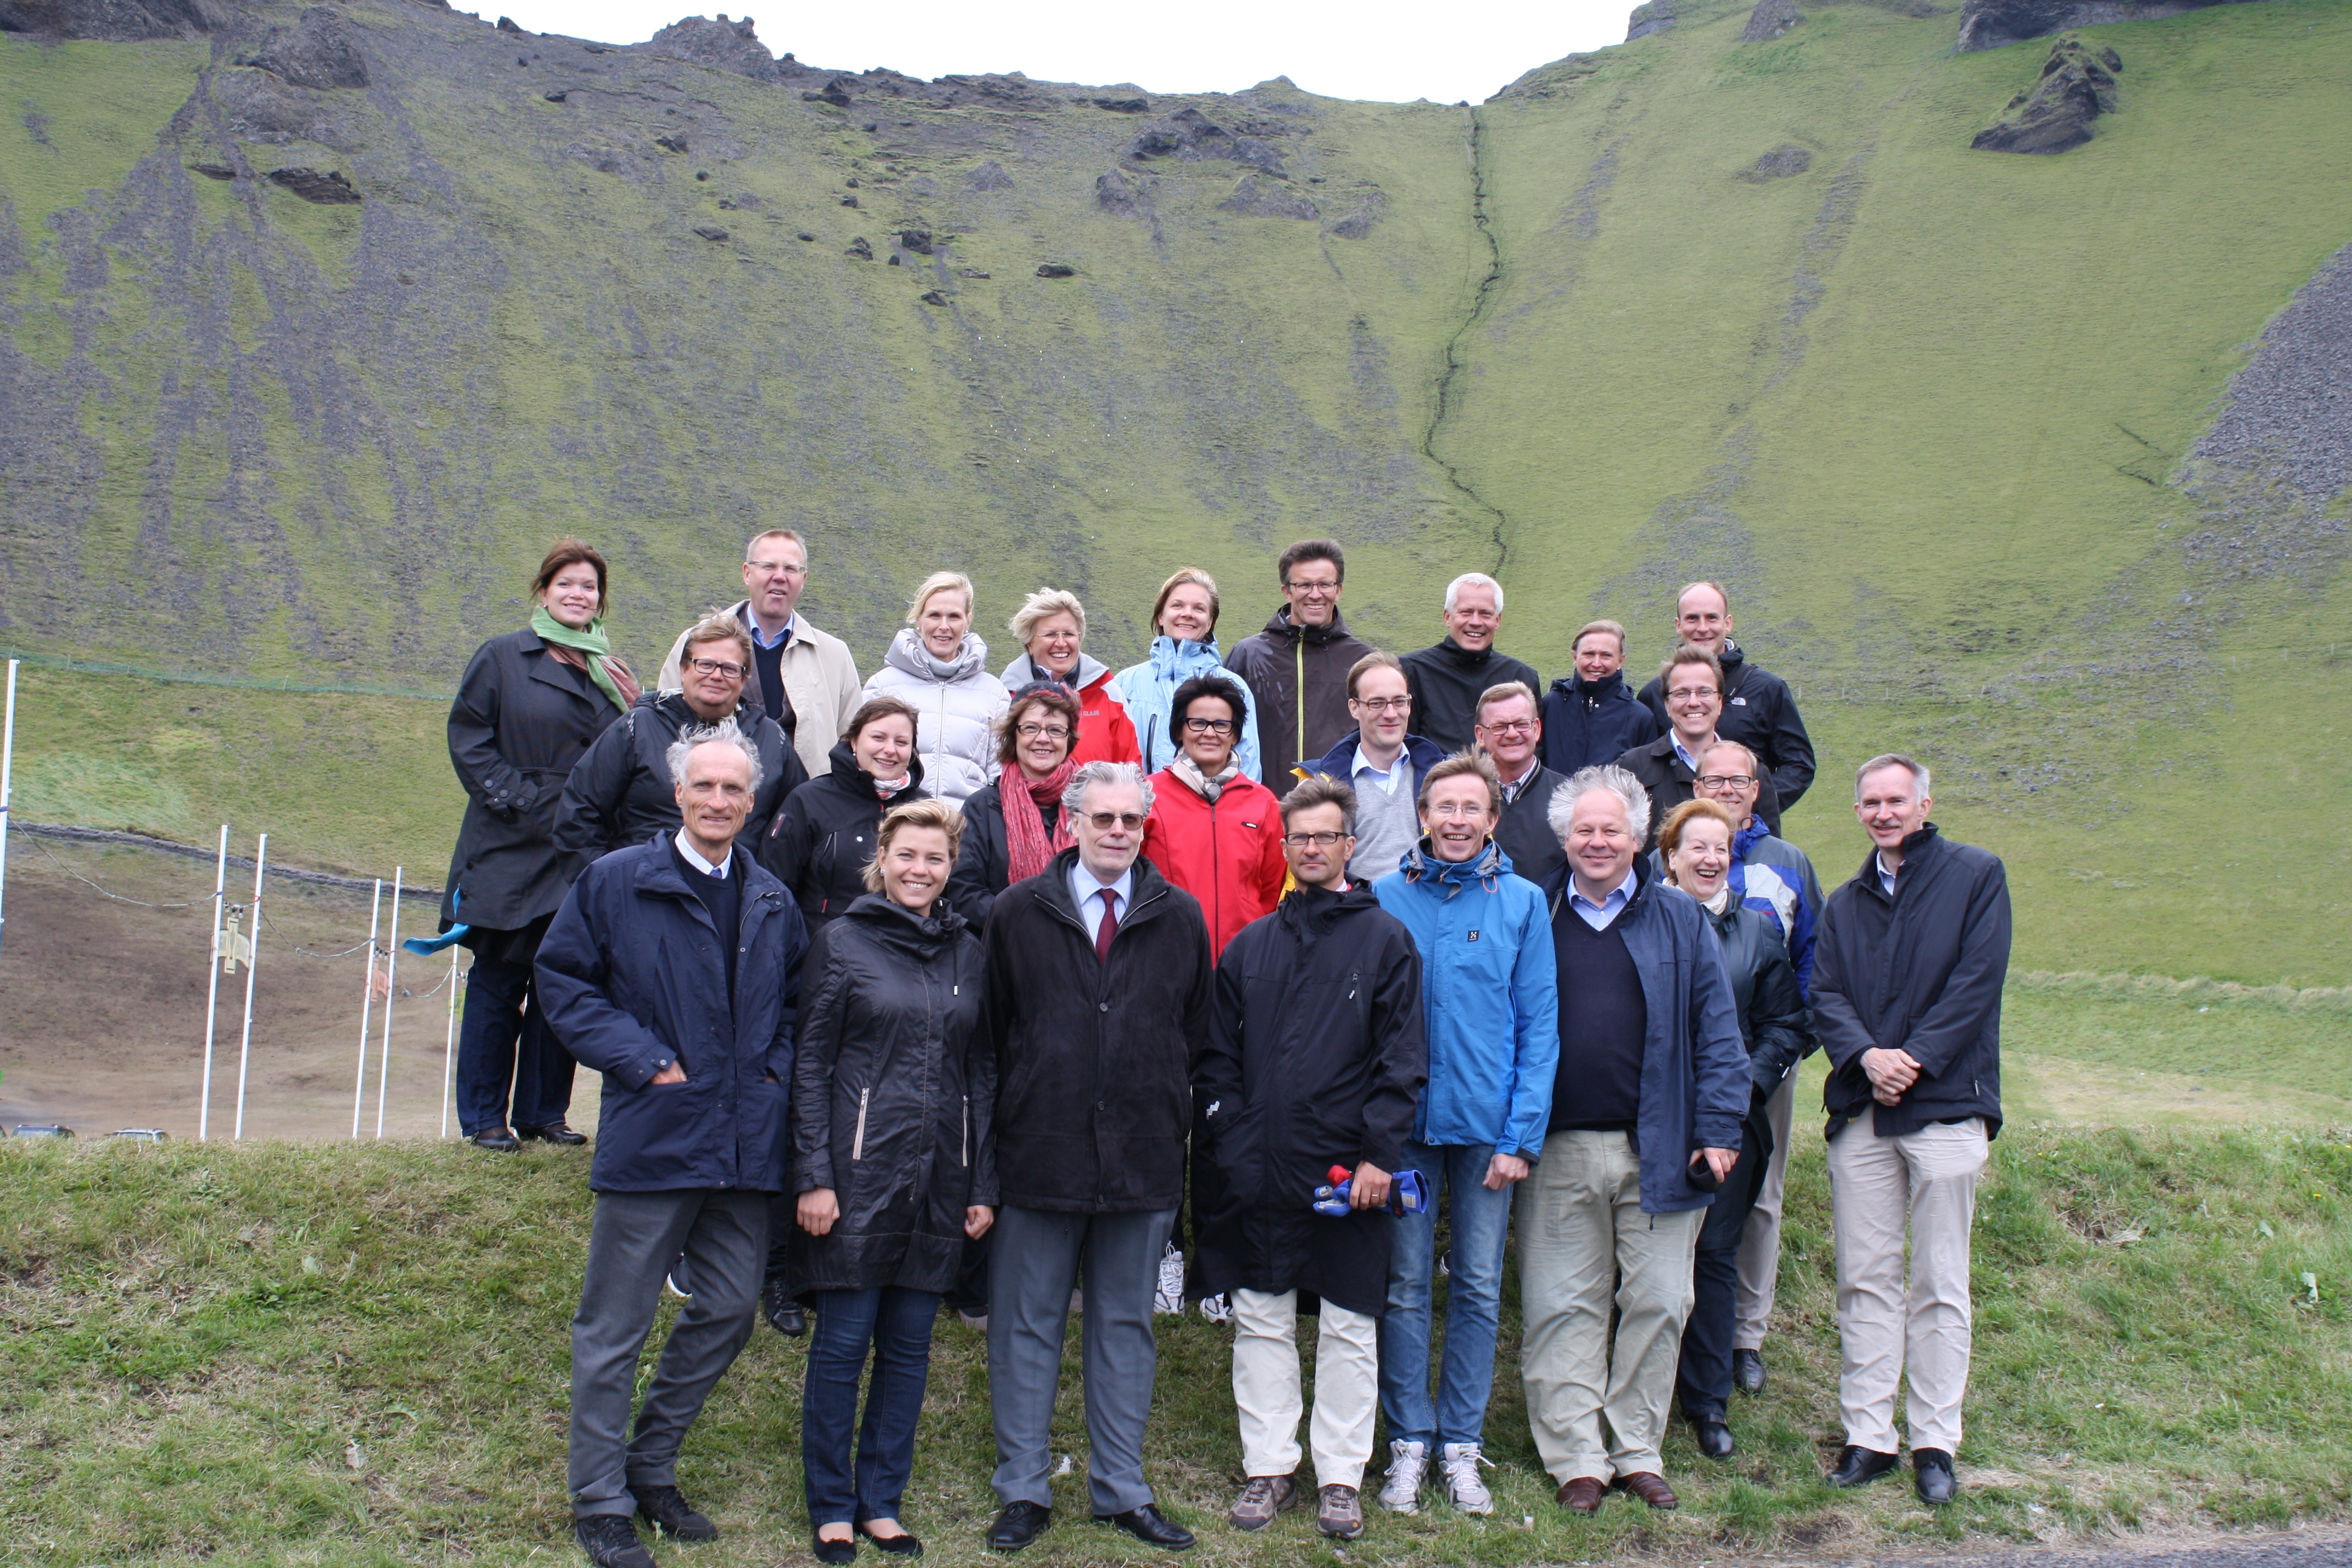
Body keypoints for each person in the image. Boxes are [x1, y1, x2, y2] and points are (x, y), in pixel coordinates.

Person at [535, 722, 809, 1568]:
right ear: (677, 793)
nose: (719, 801)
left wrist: (771, 1077)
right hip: (655, 1133)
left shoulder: (771, 898)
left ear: (753, 803)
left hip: (742, 1145)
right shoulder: (617, 882)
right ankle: (600, 1500)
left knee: (729, 1307)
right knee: (614, 1324)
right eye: (705, 787)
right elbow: (563, 981)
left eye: (734, 790)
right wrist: (642, 1058)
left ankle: (650, 1464)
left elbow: (798, 1009)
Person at [980, 761, 1215, 1553]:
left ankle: (1121, 1488)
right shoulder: (1015, 913)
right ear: (1071, 823)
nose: (1118, 831)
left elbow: (1196, 1033)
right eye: (1103, 818)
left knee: (1124, 1325)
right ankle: (1022, 1488)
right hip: (1038, 1152)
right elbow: (993, 1035)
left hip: (1143, 1157)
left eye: (1131, 820)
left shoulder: (1180, 917)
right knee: (1026, 1326)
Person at [1192, 775, 1427, 1543]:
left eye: (1328, 836)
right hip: (1258, 1164)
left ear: (1350, 845)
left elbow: (1403, 1061)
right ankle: (1269, 1467)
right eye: (1301, 839)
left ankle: (1339, 1476)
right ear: (1285, 849)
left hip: (1346, 1173)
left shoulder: (1386, 940)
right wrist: (1229, 1134)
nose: (1314, 849)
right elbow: (1217, 1057)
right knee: (1260, 1317)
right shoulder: (1252, 945)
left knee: (1350, 1322)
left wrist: (1377, 1157)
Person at [1520, 766, 1746, 1517]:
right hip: (1555, 1147)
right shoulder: (1534, 911)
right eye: (1583, 829)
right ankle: (1576, 1456)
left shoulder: (1679, 917)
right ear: (1563, 837)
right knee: (1562, 1304)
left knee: (1658, 1299)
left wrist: (1718, 1128)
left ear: (1640, 838)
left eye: (1611, 829)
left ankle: (1636, 1449)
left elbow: (1719, 1030)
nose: (1596, 841)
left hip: (1662, 1143)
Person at [787, 799, 995, 1563]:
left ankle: (882, 1502)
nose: (921, 870)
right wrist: (814, 1175)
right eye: (908, 855)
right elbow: (810, 1063)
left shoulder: (969, 951)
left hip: (940, 1179)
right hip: (854, 1178)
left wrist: (983, 1184)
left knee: (909, 1351)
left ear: (951, 869)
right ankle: (831, 1506)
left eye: (935, 859)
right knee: (843, 1346)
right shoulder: (841, 942)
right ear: (884, 857)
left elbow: (983, 1069)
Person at [1812, 755, 2010, 1508]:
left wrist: (1916, 1059)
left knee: (1939, 1281)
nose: (1884, 812)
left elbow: (1977, 980)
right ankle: (1869, 1437)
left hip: (1948, 1108)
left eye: (1897, 799)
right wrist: (1867, 1056)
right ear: (1859, 810)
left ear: (1925, 801)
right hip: (1864, 1111)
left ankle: (1935, 1441)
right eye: (1871, 801)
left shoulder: (1975, 875)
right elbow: (1825, 992)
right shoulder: (1846, 900)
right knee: (1865, 1280)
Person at [1372, 754, 1558, 1518]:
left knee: (1479, 1288)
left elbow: (1539, 1023)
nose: (1456, 820)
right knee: (1407, 1288)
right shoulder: (1382, 898)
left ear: (1492, 819)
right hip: (1408, 1130)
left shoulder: (1521, 903)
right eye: (1443, 806)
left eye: (1470, 808)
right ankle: (1409, 1441)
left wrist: (1521, 1136)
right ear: (1423, 815)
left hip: (1488, 1132)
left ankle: (1461, 1444)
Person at [442, 539, 639, 1153]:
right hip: (509, 846)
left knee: (564, 985)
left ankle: (544, 1113)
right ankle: (482, 1119)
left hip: (579, 853)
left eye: (590, 587)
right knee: (500, 982)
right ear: (544, 590)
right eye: (568, 584)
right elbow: (469, 737)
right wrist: (519, 799)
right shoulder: (503, 657)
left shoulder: (612, 673)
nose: (580, 594)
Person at [1653, 800, 1811, 1462]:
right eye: (1697, 847)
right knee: (1652, 1266)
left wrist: (1744, 1085)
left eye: (1721, 847)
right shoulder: (1643, 928)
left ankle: (1707, 1400)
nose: (1711, 858)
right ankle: (1644, 1397)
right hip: (1655, 1119)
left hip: (1732, 1120)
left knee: (1716, 1257)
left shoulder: (1757, 933)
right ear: (1670, 857)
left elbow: (1787, 1025)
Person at [1689, 739, 1823, 1397]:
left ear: (1756, 786)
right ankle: (1690, 1324)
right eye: (1711, 777)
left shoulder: (1787, 861)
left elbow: (1810, 959)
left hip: (1764, 1063)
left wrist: (1781, 1056)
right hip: (1683, 1075)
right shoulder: (1672, 862)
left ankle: (1746, 1334)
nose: (1725, 787)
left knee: (1759, 1199)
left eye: (1737, 779)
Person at [558, 610, 805, 864]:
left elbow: (797, 827)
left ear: (744, 680)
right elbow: (579, 815)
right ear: (684, 669)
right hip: (644, 890)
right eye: (706, 664)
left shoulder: (772, 739)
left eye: (730, 669)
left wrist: (769, 890)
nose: (717, 675)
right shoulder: (637, 728)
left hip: (738, 893)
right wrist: (607, 888)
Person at [656, 529, 864, 782]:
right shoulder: (695, 642)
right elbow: (662, 726)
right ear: (747, 573)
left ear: (804, 579)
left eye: (791, 569)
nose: (779, 577)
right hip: (715, 799)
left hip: (803, 806)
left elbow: (852, 742)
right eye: (768, 566)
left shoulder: (835, 655)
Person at [1634, 583, 1815, 811]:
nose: (1702, 628)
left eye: (1712, 618)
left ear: (1727, 623)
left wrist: (1752, 807)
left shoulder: (1768, 689)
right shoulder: (1654, 693)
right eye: (1692, 619)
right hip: (1673, 835)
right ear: (1679, 625)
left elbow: (1799, 764)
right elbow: (1644, 764)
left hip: (1747, 835)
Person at [1142, 676, 1287, 960]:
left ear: (1235, 735)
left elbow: (1271, 888)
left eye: (1222, 725)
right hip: (1167, 958)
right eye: (1198, 723)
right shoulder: (1147, 797)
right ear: (1179, 731)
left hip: (1244, 960)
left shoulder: (1264, 803)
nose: (1210, 733)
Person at [757, 696, 926, 932]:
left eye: (901, 742)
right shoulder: (809, 801)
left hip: (905, 950)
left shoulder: (925, 809)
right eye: (878, 738)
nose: (890, 750)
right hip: (823, 953)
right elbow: (774, 886)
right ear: (854, 742)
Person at [1224, 540, 1374, 784]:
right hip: (1262, 808)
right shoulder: (1248, 655)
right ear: (1287, 591)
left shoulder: (1363, 662)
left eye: (1325, 584)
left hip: (1338, 810)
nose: (1315, 594)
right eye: (1304, 585)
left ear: (1339, 590)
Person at [861, 571, 1010, 806]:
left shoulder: (994, 693)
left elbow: (1000, 775)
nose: (944, 626)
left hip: (965, 829)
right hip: (895, 824)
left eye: (954, 616)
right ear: (918, 619)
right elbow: (861, 764)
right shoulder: (882, 686)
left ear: (968, 620)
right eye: (934, 616)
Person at [1301, 652, 1445, 887]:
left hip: (1425, 917)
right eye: (1377, 703)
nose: (1390, 714)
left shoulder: (1443, 778)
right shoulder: (1320, 785)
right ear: (1354, 708)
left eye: (1400, 701)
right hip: (1352, 916)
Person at [949, 682, 1082, 932]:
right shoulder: (982, 808)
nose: (1042, 739)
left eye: (1055, 730)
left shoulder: (1091, 805)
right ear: (1014, 735)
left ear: (1069, 738)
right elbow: (965, 892)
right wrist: (1028, 925)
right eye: (1030, 728)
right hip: (1003, 949)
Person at [1108, 567, 1263, 780]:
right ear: (1161, 616)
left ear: (1209, 622)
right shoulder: (1124, 684)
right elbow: (1106, 757)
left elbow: (1248, 767)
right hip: (1136, 809)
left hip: (1209, 811)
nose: (1187, 613)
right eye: (1177, 605)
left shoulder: (1233, 687)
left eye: (1199, 608)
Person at [1616, 647, 1780, 844]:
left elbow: (1769, 854)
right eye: (1682, 693)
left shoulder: (1753, 770)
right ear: (1667, 704)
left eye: (1704, 692)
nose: (1693, 702)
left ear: (1720, 702)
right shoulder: (1632, 769)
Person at [1399, 573, 1541, 756]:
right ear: (1447, 617)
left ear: (1497, 621)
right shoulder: (1412, 671)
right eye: (1466, 612)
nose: (1475, 622)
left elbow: (1535, 750)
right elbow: (1404, 744)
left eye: (1486, 614)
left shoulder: (1522, 676)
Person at [999, 587, 1140, 766]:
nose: (1061, 643)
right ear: (1030, 643)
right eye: (1050, 634)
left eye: (1069, 634)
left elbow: (1131, 766)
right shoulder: (1005, 695)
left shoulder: (1107, 692)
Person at [1474, 681, 1569, 890]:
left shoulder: (1569, 797)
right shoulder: (1462, 797)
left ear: (1536, 729)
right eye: (1499, 726)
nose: (1512, 734)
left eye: (1521, 724)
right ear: (1480, 735)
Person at [1540, 620, 1659, 776]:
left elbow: (1648, 778)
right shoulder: (1552, 704)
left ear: (1621, 661)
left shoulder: (1640, 717)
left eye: (1606, 656)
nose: (1596, 663)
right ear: (1575, 657)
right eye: (1589, 654)